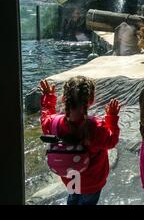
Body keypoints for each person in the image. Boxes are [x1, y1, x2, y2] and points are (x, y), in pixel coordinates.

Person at [39, 77, 121, 205]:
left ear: (63, 99)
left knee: (73, 197)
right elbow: (112, 141)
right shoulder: (97, 126)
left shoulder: (53, 123)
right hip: (93, 183)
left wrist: (48, 98)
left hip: (69, 178)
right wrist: (112, 118)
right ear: (91, 100)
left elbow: (45, 118)